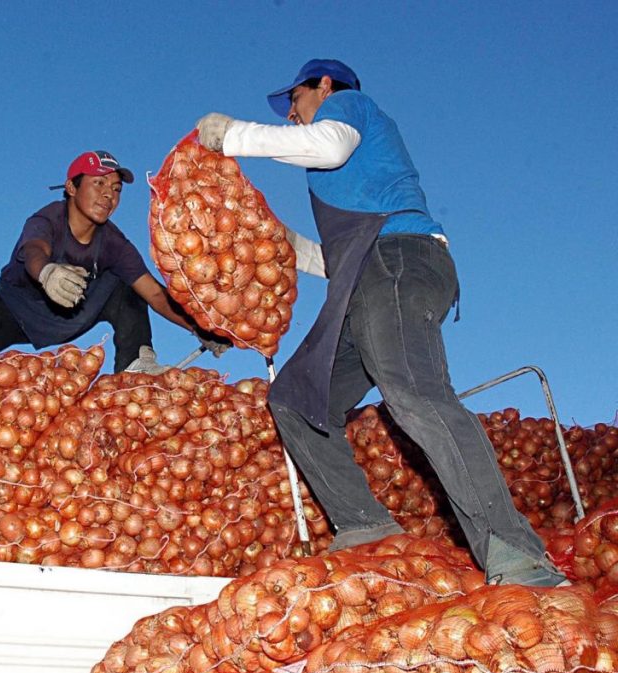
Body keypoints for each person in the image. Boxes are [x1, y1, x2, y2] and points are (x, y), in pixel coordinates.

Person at [196, 59, 567, 586]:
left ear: (323, 86)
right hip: (367, 277)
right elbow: (336, 259)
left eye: (296, 100)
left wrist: (234, 135)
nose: (294, 114)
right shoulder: (353, 180)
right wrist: (283, 247)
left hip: (397, 262)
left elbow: (327, 147)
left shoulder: (350, 105)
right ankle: (368, 528)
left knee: (415, 393)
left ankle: (515, 553)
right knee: (299, 401)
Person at [0, 150, 228, 386]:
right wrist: (47, 273)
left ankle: (135, 365)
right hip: (16, 312)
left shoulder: (114, 243)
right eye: (98, 183)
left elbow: (155, 294)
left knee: (126, 284)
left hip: (75, 312)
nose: (109, 195)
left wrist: (200, 327)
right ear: (71, 186)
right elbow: (34, 250)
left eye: (116, 188)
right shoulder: (46, 220)